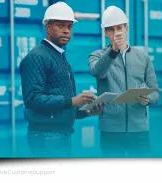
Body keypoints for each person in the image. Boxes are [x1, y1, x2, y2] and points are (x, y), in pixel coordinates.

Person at [20, 2, 101, 157]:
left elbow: (62, 106)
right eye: (60, 26)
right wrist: (72, 101)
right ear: (48, 27)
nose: (66, 31)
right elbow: (33, 99)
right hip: (46, 138)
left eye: (70, 27)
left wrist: (87, 111)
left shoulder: (59, 56)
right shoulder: (37, 57)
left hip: (61, 136)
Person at [89, 6, 159, 156]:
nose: (116, 33)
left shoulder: (143, 57)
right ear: (106, 32)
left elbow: (155, 92)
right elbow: (97, 72)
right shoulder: (97, 55)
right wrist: (113, 51)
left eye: (119, 28)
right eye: (111, 29)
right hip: (111, 131)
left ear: (127, 28)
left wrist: (148, 99)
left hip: (139, 130)